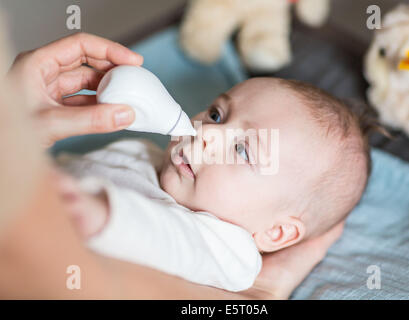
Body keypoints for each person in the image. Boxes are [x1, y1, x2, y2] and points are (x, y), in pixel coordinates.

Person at [0, 32, 344, 299]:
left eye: (242, 150)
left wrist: (103, 213)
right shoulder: (141, 151)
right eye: (216, 114)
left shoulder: (232, 251)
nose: (207, 132)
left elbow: (174, 242)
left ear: (275, 232)